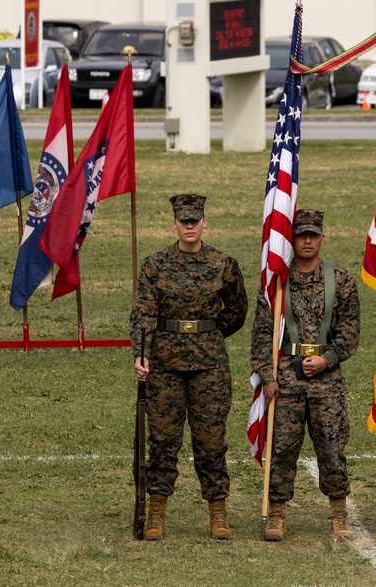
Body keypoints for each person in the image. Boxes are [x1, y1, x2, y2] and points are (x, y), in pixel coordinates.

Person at [130, 193, 248, 541]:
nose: (190, 226)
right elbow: (143, 312)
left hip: (209, 365)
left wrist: (209, 334)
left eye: (195, 220)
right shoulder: (155, 265)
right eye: (184, 221)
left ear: (204, 223)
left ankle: (218, 510)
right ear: (175, 224)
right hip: (164, 364)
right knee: (163, 440)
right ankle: (156, 512)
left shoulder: (223, 264)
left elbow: (237, 309)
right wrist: (141, 352)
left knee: (211, 440)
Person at [250, 209, 361, 542]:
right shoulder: (276, 284)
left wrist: (326, 360)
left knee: (332, 448)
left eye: (313, 235)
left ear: (323, 238)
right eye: (301, 235)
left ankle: (339, 516)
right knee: (282, 449)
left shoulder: (341, 281)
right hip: (285, 380)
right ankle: (277, 515)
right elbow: (261, 337)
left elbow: (350, 333)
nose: (308, 241)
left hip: (326, 382)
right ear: (292, 239)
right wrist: (268, 378)